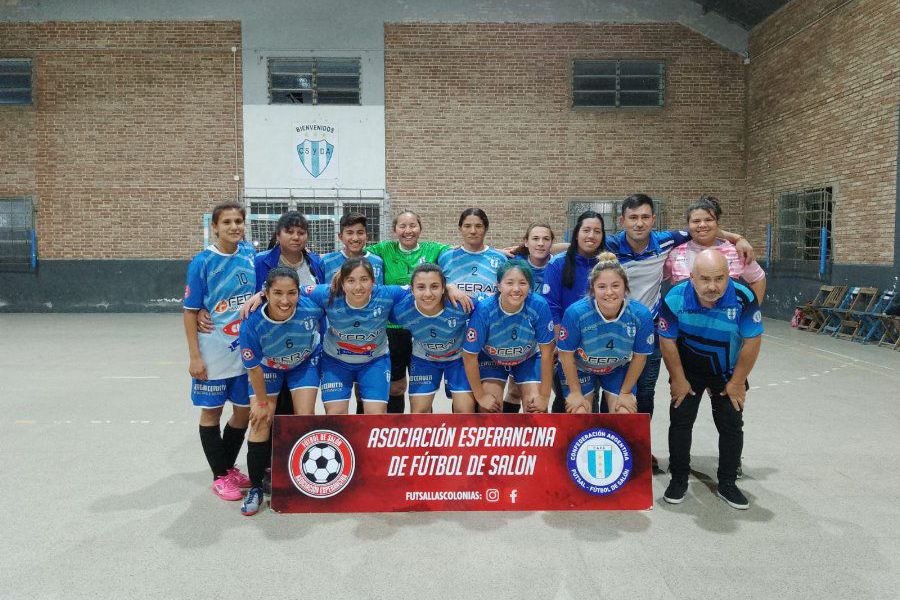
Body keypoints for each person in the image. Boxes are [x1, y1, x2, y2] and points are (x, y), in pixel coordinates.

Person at [605, 194, 753, 445]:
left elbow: (704, 230)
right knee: (609, 387)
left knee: (645, 391)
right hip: (613, 329)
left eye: (644, 217)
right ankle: (607, 443)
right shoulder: (610, 245)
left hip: (649, 330)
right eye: (632, 218)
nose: (639, 223)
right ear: (622, 221)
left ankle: (640, 448)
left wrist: (737, 238)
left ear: (653, 219)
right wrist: (528, 247)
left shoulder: (666, 242)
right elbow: (580, 242)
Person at [658, 249, 763, 510]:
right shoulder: (674, 297)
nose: (712, 286)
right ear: (692, 277)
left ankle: (727, 482)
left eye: (719, 279)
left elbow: (752, 341)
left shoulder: (744, 296)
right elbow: (667, 341)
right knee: (681, 421)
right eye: (704, 279)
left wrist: (738, 382)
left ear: (729, 276)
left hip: (727, 370)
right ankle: (679, 477)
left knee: (731, 423)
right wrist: (678, 379)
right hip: (688, 368)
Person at [182, 201, 255, 502]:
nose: (234, 227)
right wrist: (194, 357)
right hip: (213, 350)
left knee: (243, 411)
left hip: (245, 352)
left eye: (238, 221)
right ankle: (220, 475)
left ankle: (227, 467)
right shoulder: (202, 262)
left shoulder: (250, 256)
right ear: (214, 227)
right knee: (211, 412)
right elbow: (189, 312)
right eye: (227, 222)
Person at [237, 267, 324, 516]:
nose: (285, 300)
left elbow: (340, 291)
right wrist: (262, 403)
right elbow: (253, 368)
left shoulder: (311, 302)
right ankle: (255, 488)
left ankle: (301, 481)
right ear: (265, 293)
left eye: (291, 293)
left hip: (304, 362)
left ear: (299, 292)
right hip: (267, 367)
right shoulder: (252, 322)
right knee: (261, 420)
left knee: (305, 417)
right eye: (277, 293)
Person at [365, 211, 453, 414]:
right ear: (395, 229)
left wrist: (499, 251)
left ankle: (423, 435)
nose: (408, 230)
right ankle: (397, 434)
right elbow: (355, 251)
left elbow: (463, 252)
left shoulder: (434, 249)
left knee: (423, 387)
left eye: (412, 225)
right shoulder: (383, 249)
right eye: (402, 226)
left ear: (420, 228)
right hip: (394, 328)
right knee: (396, 386)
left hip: (425, 326)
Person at [557, 253, 654, 414]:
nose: (609, 292)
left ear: (626, 287)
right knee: (579, 412)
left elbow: (640, 357)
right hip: (581, 368)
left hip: (616, 368)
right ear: (592, 289)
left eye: (615, 286)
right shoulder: (576, 313)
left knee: (624, 412)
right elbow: (566, 355)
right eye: (602, 287)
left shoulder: (641, 315)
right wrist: (575, 392)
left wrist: (625, 392)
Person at [462, 260, 555, 413]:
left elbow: (547, 352)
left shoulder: (538, 305)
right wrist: (480, 396)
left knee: (536, 409)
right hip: (492, 359)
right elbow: (469, 356)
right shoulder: (485, 309)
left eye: (523, 283)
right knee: (489, 408)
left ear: (530, 286)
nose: (516, 289)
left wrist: (544, 396)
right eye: (509, 283)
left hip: (528, 358)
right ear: (498, 286)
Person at [541, 211, 606, 413]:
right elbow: (551, 306)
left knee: (591, 400)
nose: (591, 236)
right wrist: (561, 342)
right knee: (566, 398)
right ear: (576, 233)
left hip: (598, 342)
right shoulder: (558, 264)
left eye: (597, 231)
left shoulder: (607, 264)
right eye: (586, 230)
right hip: (565, 343)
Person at [390, 263, 475, 413]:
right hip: (424, 359)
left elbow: (488, 308)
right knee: (419, 414)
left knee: (464, 412)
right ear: (412, 289)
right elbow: (372, 293)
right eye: (421, 287)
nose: (428, 294)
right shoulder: (401, 311)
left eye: (434, 287)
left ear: (444, 288)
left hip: (458, 360)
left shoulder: (461, 304)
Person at [664, 196, 766, 302]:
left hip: (727, 317)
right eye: (696, 221)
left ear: (717, 224)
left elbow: (758, 279)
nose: (702, 224)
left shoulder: (736, 253)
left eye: (708, 220)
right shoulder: (675, 254)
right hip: (684, 317)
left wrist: (751, 311)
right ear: (688, 225)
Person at [505, 222, 555, 412]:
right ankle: (509, 437)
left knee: (542, 393)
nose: (540, 243)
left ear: (552, 242)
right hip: (518, 336)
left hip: (549, 336)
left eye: (546, 239)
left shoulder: (558, 264)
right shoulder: (515, 264)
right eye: (535, 239)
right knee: (515, 390)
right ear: (526, 242)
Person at [437, 208, 508, 301]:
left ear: (486, 228)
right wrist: (448, 287)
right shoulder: (446, 257)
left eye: (478, 226)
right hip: (455, 315)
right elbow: (435, 285)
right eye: (467, 226)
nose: (473, 231)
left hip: (488, 314)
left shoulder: (500, 258)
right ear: (460, 229)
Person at [321, 212, 385, 284]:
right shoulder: (327, 261)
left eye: (360, 233)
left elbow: (379, 292)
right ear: (341, 237)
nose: (355, 238)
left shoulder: (377, 262)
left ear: (367, 236)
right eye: (350, 233)